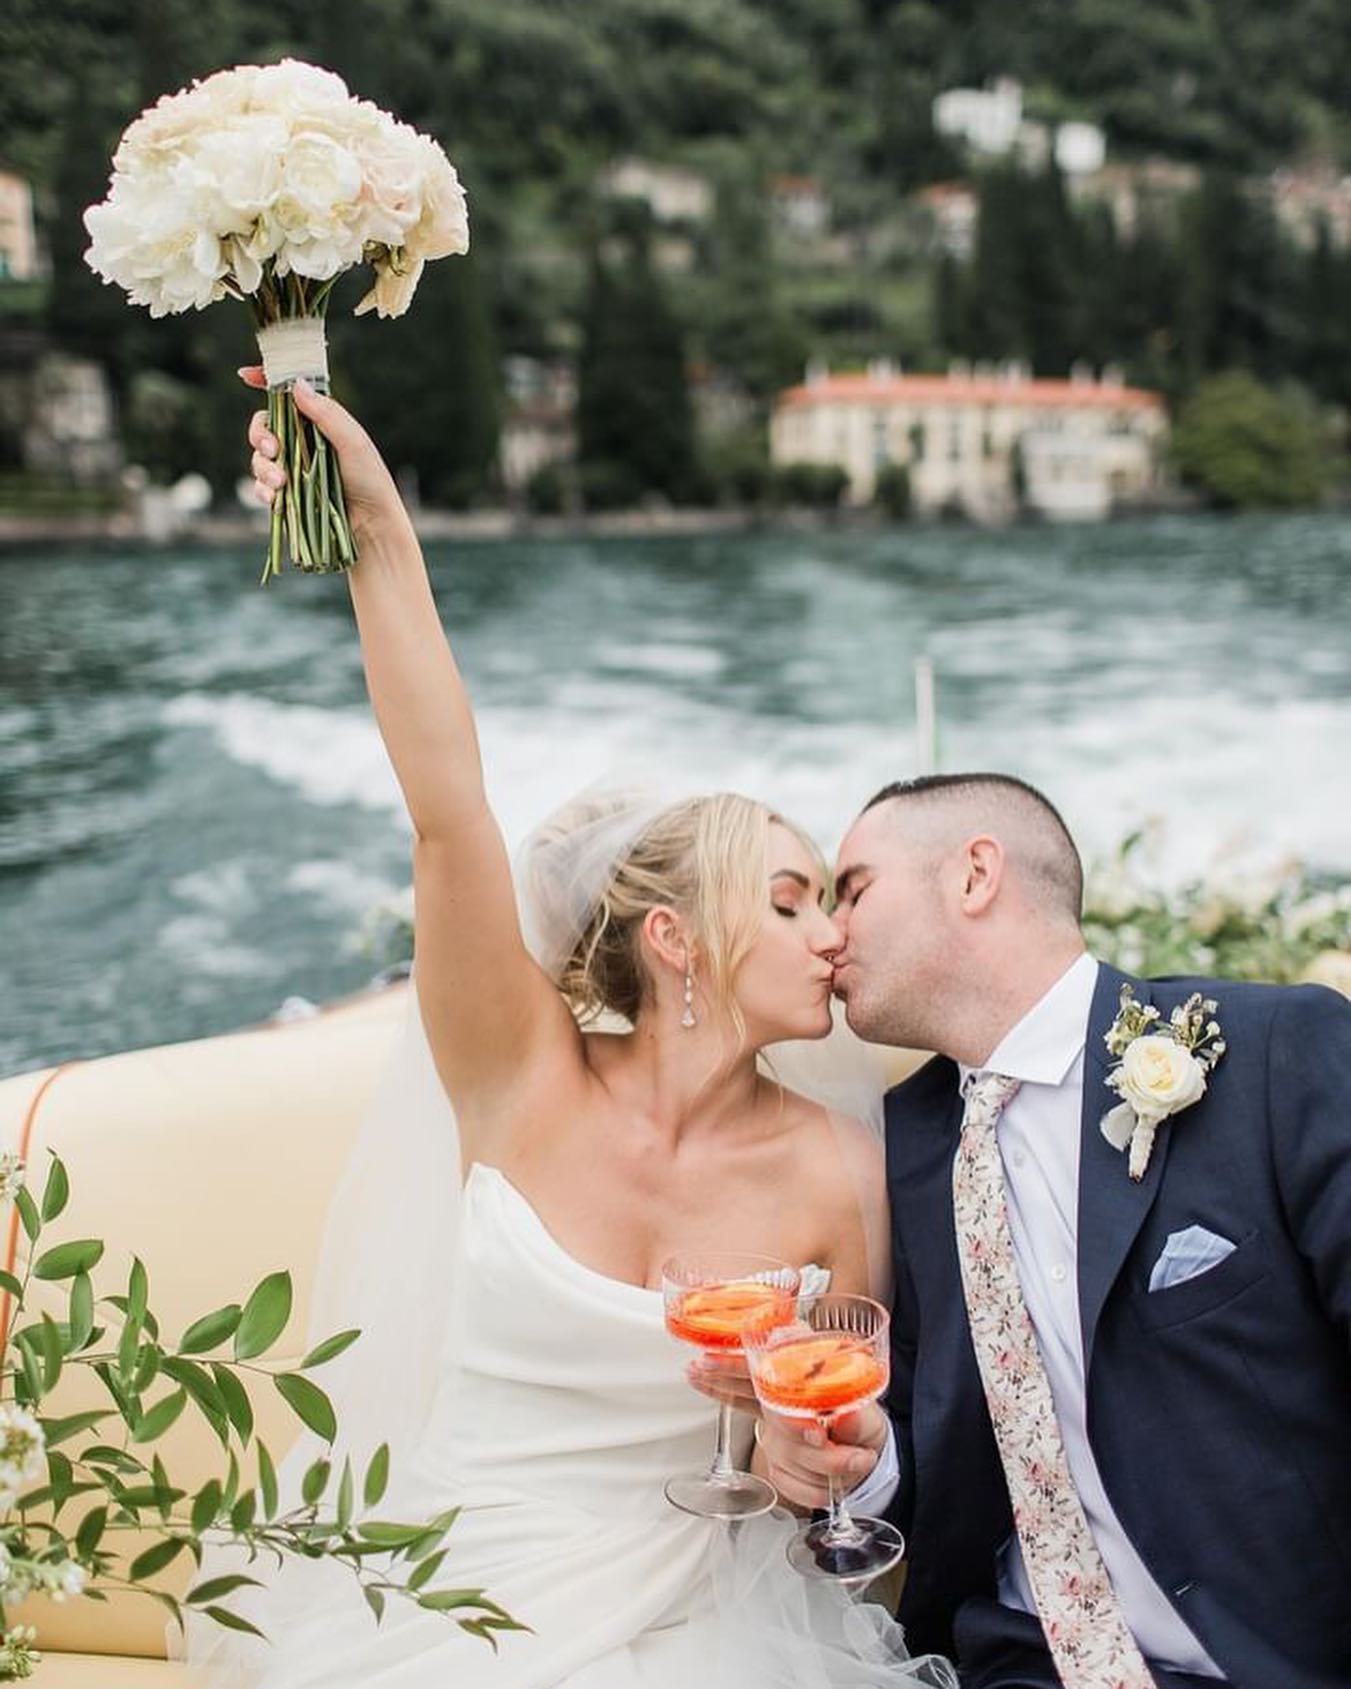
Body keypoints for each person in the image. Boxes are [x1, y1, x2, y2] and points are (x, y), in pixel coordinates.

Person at [182, 372, 955, 1689]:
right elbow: (445, 808)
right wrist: (374, 525)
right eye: (785, 900)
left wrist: (800, 1460)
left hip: (704, 1616)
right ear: (673, 942)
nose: (829, 931)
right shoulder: (516, 1072)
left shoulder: (840, 1162)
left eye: (828, 898)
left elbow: (832, 1453)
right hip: (440, 1588)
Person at [756, 772, 1351, 1689]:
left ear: (974, 875)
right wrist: (857, 1459)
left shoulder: (1272, 1054)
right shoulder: (908, 1143)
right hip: (1017, 1662)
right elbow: (925, 1436)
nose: (830, 932)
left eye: (855, 890)